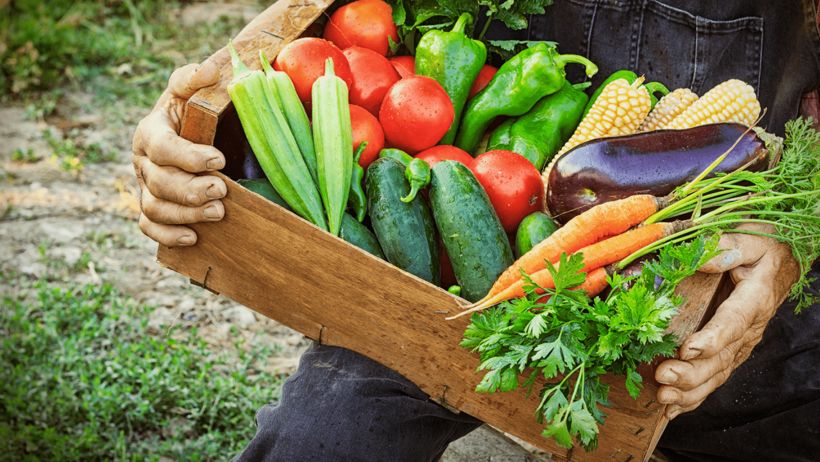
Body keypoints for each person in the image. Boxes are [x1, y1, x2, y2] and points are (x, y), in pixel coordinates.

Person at [132, 1, 820, 461]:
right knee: (316, 444)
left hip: (742, 280)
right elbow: (324, 19)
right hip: (450, 281)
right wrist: (206, 95)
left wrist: (797, 232)